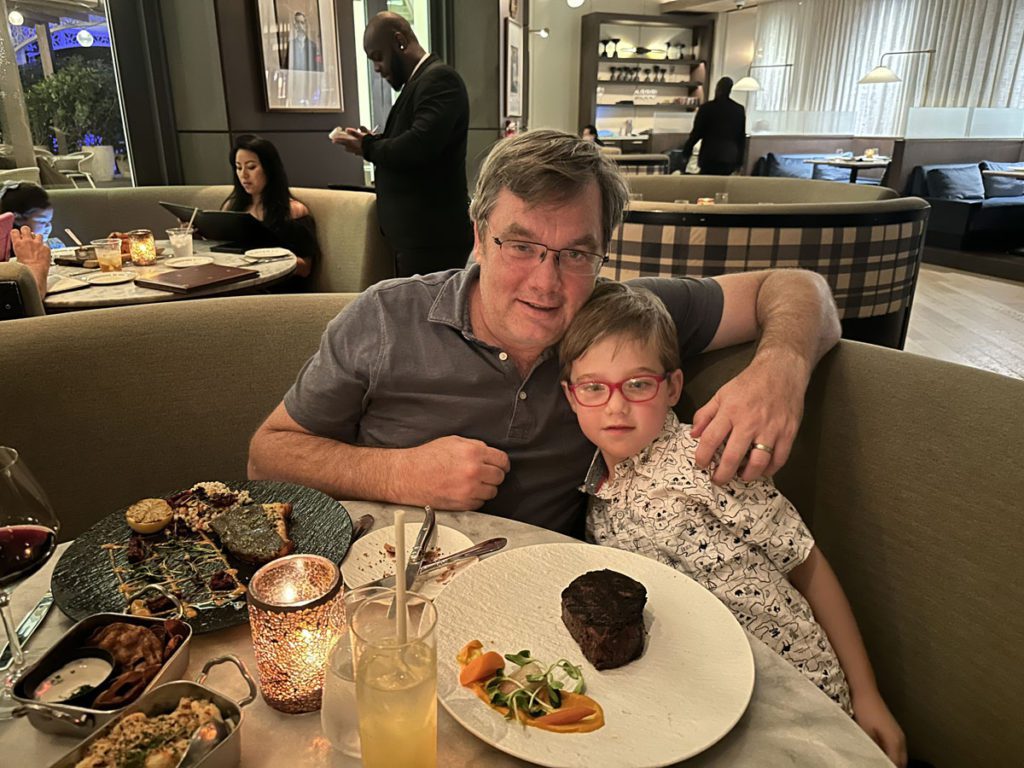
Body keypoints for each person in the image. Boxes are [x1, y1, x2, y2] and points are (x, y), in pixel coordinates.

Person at [248, 129, 840, 537]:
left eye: (576, 253)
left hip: (546, 618)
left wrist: (780, 369)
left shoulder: (624, 320)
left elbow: (798, 288)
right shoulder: (384, 318)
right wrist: (400, 473)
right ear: (479, 236)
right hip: (390, 598)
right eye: (522, 245)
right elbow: (266, 454)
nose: (547, 282)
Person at [558, 281, 906, 767]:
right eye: (594, 387)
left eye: (638, 384)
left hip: (798, 690)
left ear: (673, 387)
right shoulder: (593, 494)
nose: (615, 406)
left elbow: (804, 561)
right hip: (706, 704)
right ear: (571, 396)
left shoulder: (704, 460)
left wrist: (868, 694)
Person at [331, 12, 473, 277]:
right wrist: (370, 141)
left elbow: (418, 146)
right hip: (418, 240)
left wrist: (368, 147)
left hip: (433, 240)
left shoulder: (440, 80)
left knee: (426, 317)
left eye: (377, 56)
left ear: (399, 41)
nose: (376, 68)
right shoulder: (419, 84)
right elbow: (410, 144)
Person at [222, 134, 319, 281]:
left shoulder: (293, 211)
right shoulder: (232, 207)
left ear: (269, 169)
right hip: (239, 282)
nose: (244, 175)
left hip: (277, 288)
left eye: (251, 167)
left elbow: (305, 268)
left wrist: (267, 261)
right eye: (238, 168)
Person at [680, 77, 747, 176]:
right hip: (730, 157)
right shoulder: (739, 110)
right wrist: (740, 161)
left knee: (707, 187)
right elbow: (741, 138)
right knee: (724, 187)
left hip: (709, 155)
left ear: (717, 89)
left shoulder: (706, 108)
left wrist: (686, 153)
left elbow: (696, 134)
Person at [0, 182, 66, 249]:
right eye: (42, 221)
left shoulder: (54, 245)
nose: (48, 226)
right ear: (17, 219)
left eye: (49, 221)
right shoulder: (7, 251)